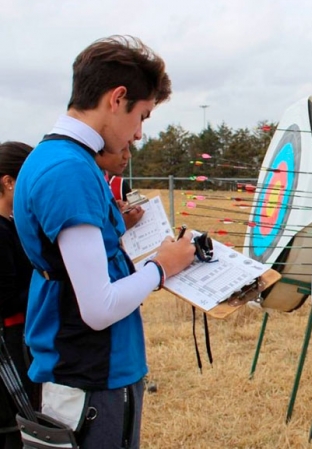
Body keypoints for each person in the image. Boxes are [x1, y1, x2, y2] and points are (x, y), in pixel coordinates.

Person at [14, 35, 195, 448]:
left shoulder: (60, 158)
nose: (139, 134)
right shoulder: (69, 171)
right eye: (143, 116)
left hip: (86, 368)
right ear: (117, 99)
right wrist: (162, 266)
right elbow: (98, 307)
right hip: (90, 373)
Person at [0, 141, 38, 449]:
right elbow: (7, 297)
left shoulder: (13, 225)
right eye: (26, 179)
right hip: (8, 351)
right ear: (8, 182)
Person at [96, 145, 144, 229]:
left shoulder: (121, 183)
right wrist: (120, 224)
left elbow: (135, 208)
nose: (128, 155)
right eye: (121, 149)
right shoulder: (88, 181)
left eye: (129, 149)